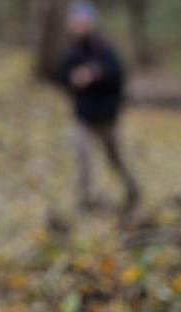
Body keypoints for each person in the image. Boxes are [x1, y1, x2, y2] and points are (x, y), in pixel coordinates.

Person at [53, 1, 139, 215]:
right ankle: (85, 202)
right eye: (75, 22)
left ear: (90, 23)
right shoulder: (72, 51)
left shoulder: (104, 48)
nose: (78, 26)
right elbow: (62, 76)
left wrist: (94, 74)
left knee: (114, 157)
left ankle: (132, 190)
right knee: (81, 155)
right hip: (83, 116)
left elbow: (117, 74)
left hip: (106, 116)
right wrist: (72, 79)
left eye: (82, 21)